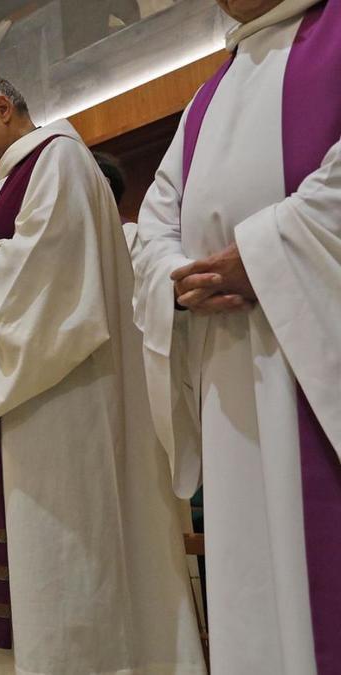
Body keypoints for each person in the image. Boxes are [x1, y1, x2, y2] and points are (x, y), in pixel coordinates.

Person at [0, 71, 204, 674]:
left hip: (61, 396)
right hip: (24, 395)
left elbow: (52, 270)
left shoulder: (59, 159)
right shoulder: (8, 180)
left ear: (3, 107)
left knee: (63, 546)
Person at [131, 1, 341, 671]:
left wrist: (266, 252)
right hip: (226, 368)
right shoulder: (207, 95)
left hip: (315, 346)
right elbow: (155, 220)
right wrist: (173, 276)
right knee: (250, 580)